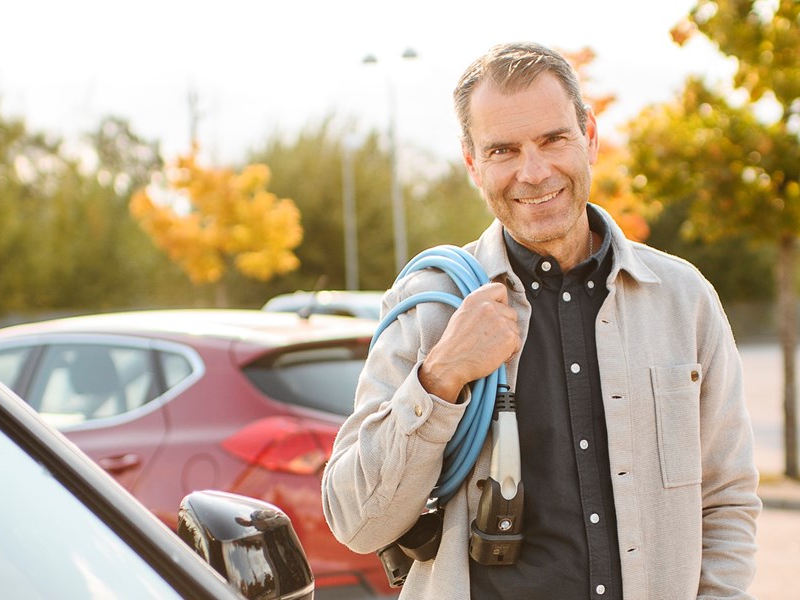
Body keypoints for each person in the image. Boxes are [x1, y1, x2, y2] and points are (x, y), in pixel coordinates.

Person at [322, 41, 760, 599]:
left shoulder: (683, 299)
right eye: (503, 151)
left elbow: (727, 499)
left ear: (590, 137)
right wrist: (441, 377)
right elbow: (356, 523)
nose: (534, 172)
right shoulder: (430, 304)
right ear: (473, 165)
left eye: (553, 139)